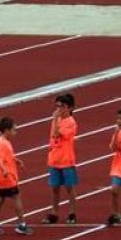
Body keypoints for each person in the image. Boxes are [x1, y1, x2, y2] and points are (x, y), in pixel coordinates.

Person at [0, 116, 31, 236]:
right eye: (14, 130)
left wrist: (16, 160)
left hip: (0, 178)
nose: (15, 132)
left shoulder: (2, 141)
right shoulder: (3, 144)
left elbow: (6, 157)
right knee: (16, 197)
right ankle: (21, 225)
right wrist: (5, 172)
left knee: (0, 199)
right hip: (6, 178)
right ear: (6, 130)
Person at [44, 93, 79, 225]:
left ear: (70, 108)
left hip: (66, 160)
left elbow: (58, 133)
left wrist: (56, 120)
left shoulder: (71, 123)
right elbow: (52, 137)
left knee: (69, 188)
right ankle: (54, 212)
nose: (59, 109)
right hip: (54, 159)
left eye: (62, 107)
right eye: (57, 106)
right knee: (54, 188)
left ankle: (72, 213)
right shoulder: (55, 120)